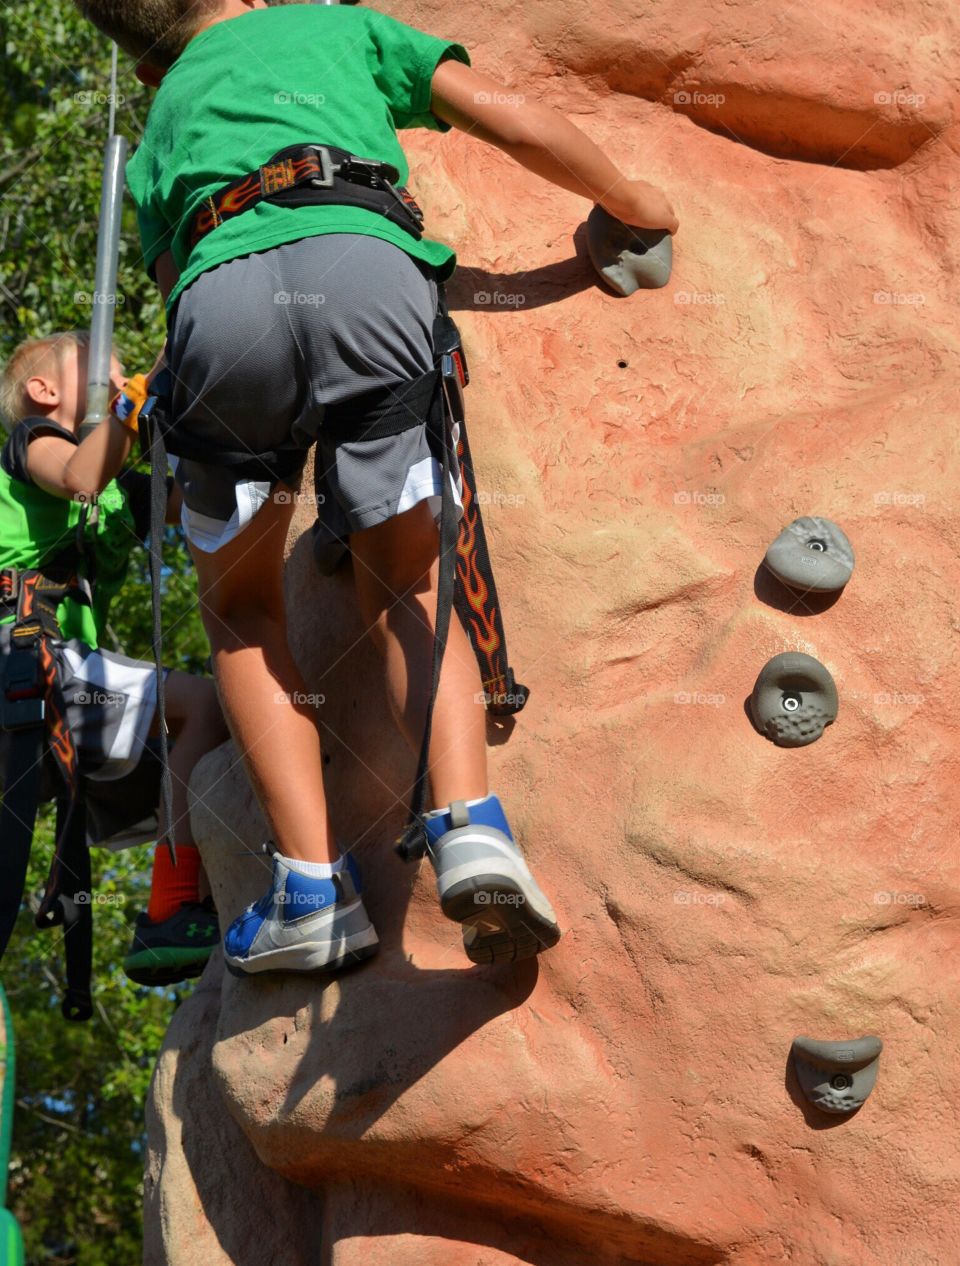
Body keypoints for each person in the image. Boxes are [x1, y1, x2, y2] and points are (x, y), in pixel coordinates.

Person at [72, 0, 678, 975]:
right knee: (408, 584)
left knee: (237, 605)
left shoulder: (163, 117)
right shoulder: (336, 25)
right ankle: (469, 824)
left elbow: (179, 272)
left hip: (219, 319)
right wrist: (631, 196)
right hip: (367, 270)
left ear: (146, 68)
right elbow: (511, 119)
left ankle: (310, 890)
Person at [0, 330, 228, 985]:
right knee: (205, 705)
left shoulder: (122, 492)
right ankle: (172, 899)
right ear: (45, 392)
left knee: (227, 743)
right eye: (107, 374)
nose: (121, 383)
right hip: (22, 658)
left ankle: (194, 900)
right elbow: (77, 476)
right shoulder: (34, 443)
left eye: (126, 378)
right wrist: (140, 395)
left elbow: (203, 505)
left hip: (60, 676)